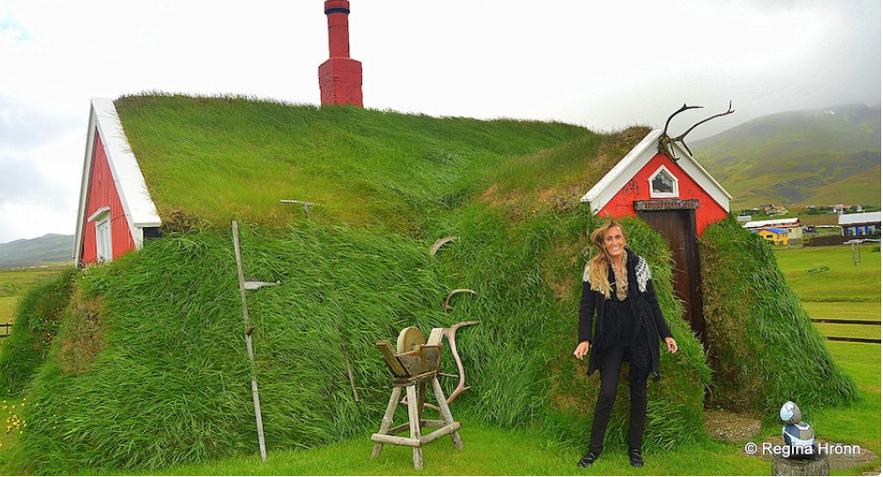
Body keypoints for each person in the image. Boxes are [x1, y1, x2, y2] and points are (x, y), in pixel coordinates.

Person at [572, 219, 678, 468]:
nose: (614, 242)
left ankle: (635, 449)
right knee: (607, 393)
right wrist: (584, 339)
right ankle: (593, 450)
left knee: (638, 393)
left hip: (640, 337)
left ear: (624, 240)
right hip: (611, 340)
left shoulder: (639, 266)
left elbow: (652, 303)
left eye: (617, 237)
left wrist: (667, 335)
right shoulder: (594, 269)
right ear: (603, 243)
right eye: (609, 239)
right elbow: (586, 308)